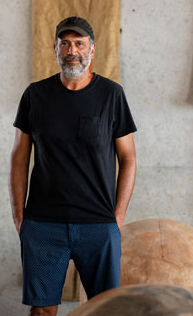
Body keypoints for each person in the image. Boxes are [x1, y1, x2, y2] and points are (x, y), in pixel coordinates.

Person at [9, 16, 137, 316]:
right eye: (64, 43)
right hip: (43, 224)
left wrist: (117, 218)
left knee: (105, 311)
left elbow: (129, 158)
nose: (72, 50)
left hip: (98, 225)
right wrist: (20, 217)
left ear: (92, 50)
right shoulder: (34, 96)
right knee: (42, 312)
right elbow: (19, 157)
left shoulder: (112, 95)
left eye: (79, 43)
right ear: (55, 49)